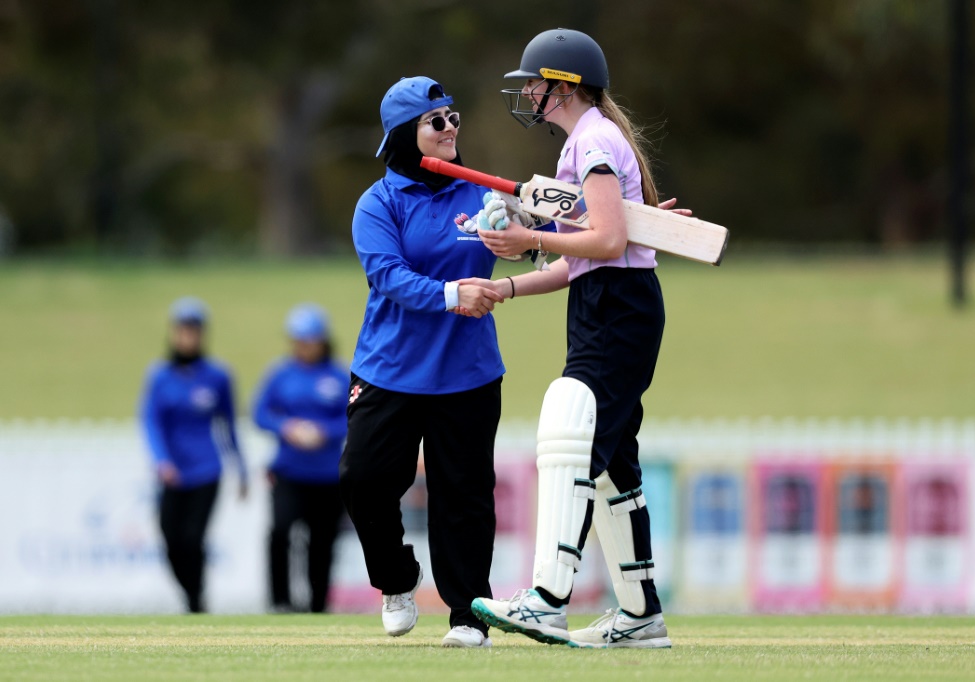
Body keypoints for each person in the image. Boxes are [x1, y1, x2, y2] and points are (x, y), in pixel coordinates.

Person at [466, 29, 691, 648]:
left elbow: (607, 242)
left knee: (572, 425)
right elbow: (588, 257)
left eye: (536, 83)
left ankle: (547, 598)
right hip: (611, 301)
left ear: (563, 86)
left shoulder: (592, 141)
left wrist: (529, 239)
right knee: (615, 462)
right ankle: (640, 615)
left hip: (618, 308)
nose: (529, 93)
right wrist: (508, 287)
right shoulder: (592, 140)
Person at [337, 76, 507, 648]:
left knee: (463, 495)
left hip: (467, 374)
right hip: (389, 369)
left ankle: (468, 616)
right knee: (363, 480)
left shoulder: (481, 196)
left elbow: (559, 233)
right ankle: (395, 582)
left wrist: (537, 227)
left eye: (454, 116)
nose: (452, 127)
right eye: (437, 121)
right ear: (407, 136)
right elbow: (386, 275)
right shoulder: (377, 203)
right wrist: (452, 294)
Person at [139, 297, 249, 613]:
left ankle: (197, 601)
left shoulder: (217, 376)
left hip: (206, 470)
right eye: (183, 330)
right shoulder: (159, 376)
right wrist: (162, 461)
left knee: (193, 538)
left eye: (194, 330)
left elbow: (228, 424)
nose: (188, 337)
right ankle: (191, 593)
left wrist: (240, 468)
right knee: (171, 539)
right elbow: (151, 422)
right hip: (173, 472)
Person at [253, 304, 350, 614]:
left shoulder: (338, 375)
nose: (305, 347)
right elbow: (259, 413)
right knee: (280, 531)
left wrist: (324, 432)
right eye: (299, 340)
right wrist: (287, 427)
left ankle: (318, 605)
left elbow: (353, 417)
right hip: (289, 471)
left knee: (322, 542)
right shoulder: (280, 374)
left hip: (327, 475)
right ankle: (280, 601)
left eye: (310, 340)